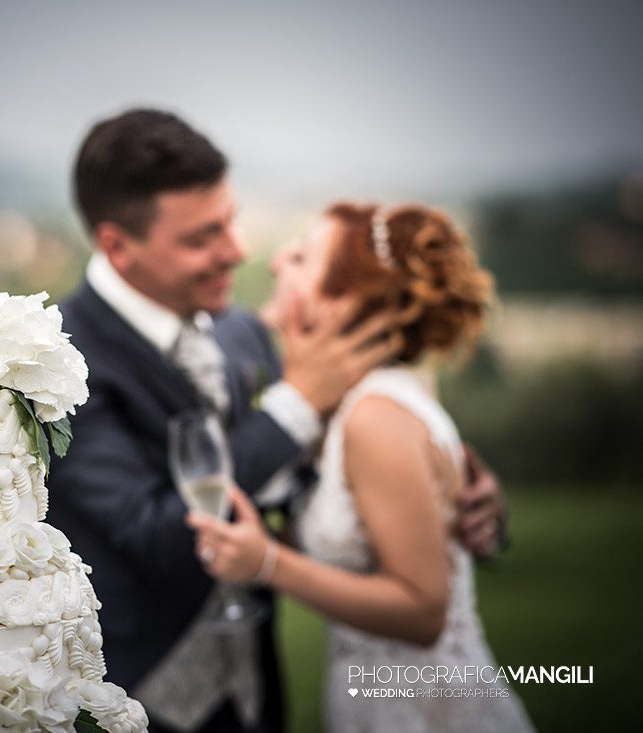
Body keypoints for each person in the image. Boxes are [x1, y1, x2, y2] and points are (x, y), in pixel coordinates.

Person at [47, 107, 506, 733]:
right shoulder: (58, 364)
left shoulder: (242, 332)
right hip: (137, 699)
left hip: (261, 692)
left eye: (229, 223)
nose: (236, 252)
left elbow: (314, 488)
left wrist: (449, 502)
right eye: (201, 237)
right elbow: (153, 534)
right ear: (117, 246)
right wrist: (294, 405)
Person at [187, 202, 532, 732]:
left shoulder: (374, 417)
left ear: (345, 303)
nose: (278, 260)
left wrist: (267, 563)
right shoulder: (333, 407)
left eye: (302, 258)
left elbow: (423, 611)